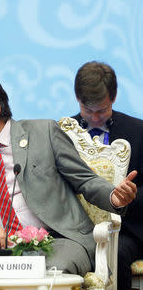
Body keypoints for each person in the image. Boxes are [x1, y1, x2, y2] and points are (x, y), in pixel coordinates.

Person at [0, 71, 137, 276]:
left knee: (50, 276)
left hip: (58, 241)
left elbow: (85, 180)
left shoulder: (44, 133)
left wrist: (114, 196)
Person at [72, 61, 143, 289]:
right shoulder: (61, 133)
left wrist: (130, 197)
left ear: (113, 98)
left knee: (115, 253)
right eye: (88, 110)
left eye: (101, 110)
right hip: (74, 228)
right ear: (77, 99)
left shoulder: (138, 131)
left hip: (127, 230)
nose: (94, 118)